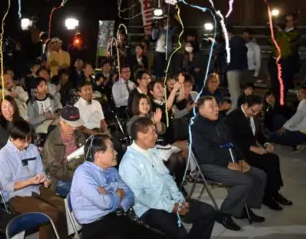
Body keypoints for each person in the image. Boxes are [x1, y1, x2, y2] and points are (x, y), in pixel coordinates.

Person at [120, 117, 217, 239]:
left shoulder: (152, 150)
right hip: (148, 208)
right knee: (180, 235)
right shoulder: (129, 162)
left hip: (168, 199)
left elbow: (167, 177)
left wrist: (179, 199)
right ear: (140, 135)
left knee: (208, 212)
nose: (156, 136)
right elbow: (140, 197)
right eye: (153, 132)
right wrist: (172, 206)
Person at [191, 96, 267, 231]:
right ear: (201, 110)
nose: (216, 109)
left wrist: (241, 159)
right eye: (211, 107)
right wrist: (227, 164)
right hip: (209, 165)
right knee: (244, 180)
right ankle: (225, 214)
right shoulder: (196, 127)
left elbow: (232, 143)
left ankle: (243, 207)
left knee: (260, 175)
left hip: (229, 160)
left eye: (216, 105)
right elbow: (205, 155)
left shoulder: (220, 122)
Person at [70, 134, 161, 239]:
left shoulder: (111, 170)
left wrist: (113, 199)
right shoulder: (83, 173)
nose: (116, 153)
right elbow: (105, 203)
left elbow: (130, 195)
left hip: (116, 218)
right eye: (112, 149)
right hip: (95, 227)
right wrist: (118, 193)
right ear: (99, 155)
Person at [0, 120, 68, 239]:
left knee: (62, 206)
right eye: (22, 141)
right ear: (12, 138)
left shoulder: (32, 148)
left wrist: (44, 179)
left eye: (28, 139)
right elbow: (7, 186)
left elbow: (40, 170)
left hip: (36, 188)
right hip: (16, 196)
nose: (26, 144)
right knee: (49, 214)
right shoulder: (2, 157)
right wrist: (30, 181)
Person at [224, 95, 292, 211]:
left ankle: (273, 192)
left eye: (258, 111)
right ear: (245, 105)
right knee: (270, 161)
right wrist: (251, 148)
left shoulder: (254, 115)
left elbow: (259, 133)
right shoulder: (233, 117)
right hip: (239, 154)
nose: (255, 114)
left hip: (251, 149)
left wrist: (266, 144)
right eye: (253, 111)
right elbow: (231, 141)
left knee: (273, 159)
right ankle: (268, 195)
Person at [42, 106, 86, 196]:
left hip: (80, 171)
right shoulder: (52, 141)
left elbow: (85, 153)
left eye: (76, 125)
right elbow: (55, 170)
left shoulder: (78, 133)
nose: (74, 128)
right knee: (85, 193)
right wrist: (76, 175)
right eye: (71, 126)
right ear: (61, 122)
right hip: (61, 178)